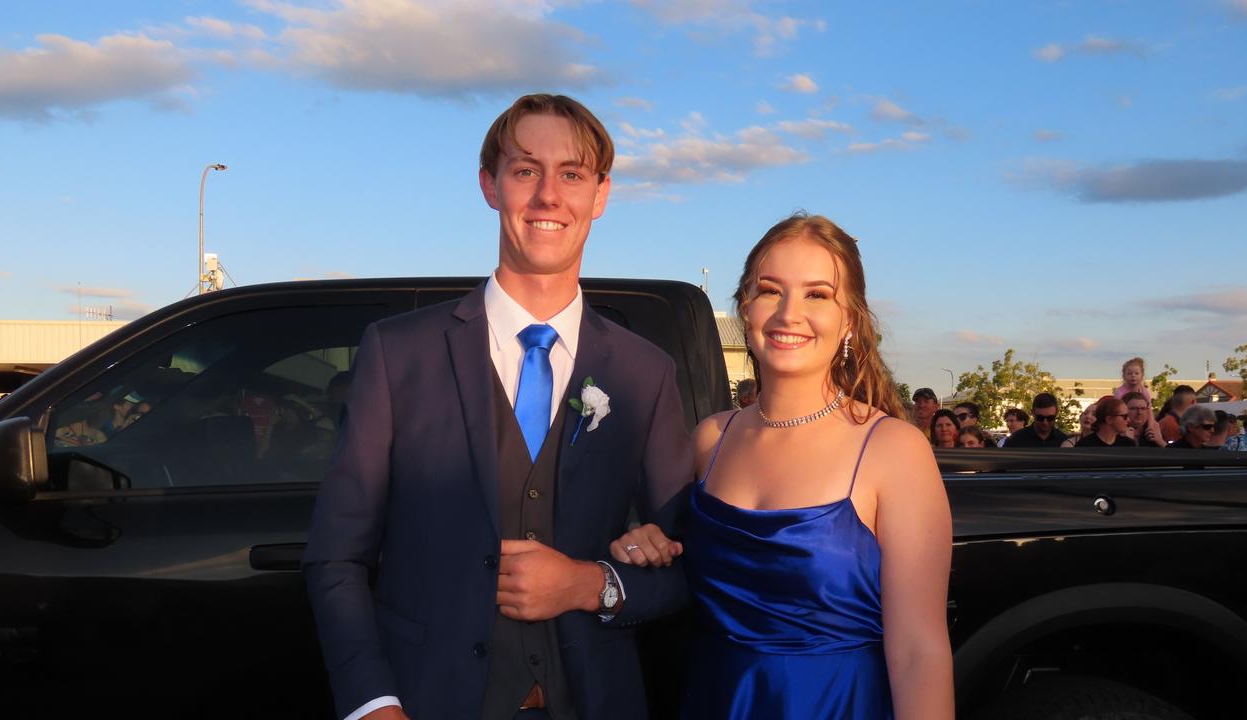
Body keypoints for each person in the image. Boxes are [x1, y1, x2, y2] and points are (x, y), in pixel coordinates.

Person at [302, 94, 693, 720]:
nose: (548, 196)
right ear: (490, 186)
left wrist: (591, 584)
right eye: (524, 170)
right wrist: (373, 705)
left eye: (571, 174)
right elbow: (337, 554)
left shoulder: (645, 373)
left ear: (600, 196)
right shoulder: (398, 353)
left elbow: (688, 563)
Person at [607, 214, 954, 719]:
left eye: (817, 295)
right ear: (745, 307)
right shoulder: (711, 439)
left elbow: (919, 651)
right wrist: (639, 543)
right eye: (771, 290)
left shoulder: (892, 449)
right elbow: (667, 560)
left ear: (850, 319)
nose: (789, 313)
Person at [1003, 393, 1069, 448]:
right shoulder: (1015, 440)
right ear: (1033, 413)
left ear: (1056, 413)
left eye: (1050, 418)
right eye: (1040, 418)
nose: (1045, 422)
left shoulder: (1064, 441)